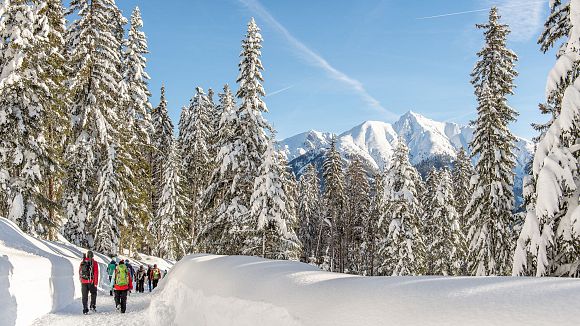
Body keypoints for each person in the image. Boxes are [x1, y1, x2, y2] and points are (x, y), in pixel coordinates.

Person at [79, 250, 99, 315]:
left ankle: (85, 309)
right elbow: (96, 273)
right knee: (93, 293)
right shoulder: (94, 262)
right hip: (91, 281)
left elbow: (80, 271)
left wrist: (81, 279)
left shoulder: (83, 262)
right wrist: (95, 283)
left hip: (83, 281)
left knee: (84, 296)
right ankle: (92, 306)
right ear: (92, 256)